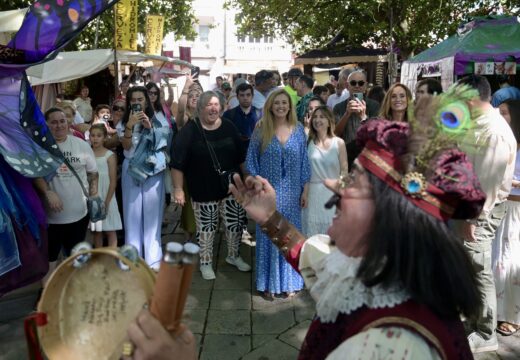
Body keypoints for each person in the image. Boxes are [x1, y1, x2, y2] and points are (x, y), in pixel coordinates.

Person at [130, 90, 487, 358]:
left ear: (390, 219)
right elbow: (309, 256)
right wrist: (269, 218)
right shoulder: (372, 271)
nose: (338, 194)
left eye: (354, 186)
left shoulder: (391, 343)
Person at [456, 75, 517, 353]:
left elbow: (488, 184)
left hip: (480, 213)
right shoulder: (478, 123)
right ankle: (472, 317)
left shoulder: (494, 131)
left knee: (480, 269)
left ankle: (486, 332)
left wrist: (472, 219)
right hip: (468, 209)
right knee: (470, 265)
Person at [171, 91, 251, 280]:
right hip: (203, 189)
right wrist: (178, 189)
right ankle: (205, 263)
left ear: (221, 107)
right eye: (208, 105)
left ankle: (233, 256)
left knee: (235, 224)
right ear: (200, 108)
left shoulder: (229, 127)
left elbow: (241, 158)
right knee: (206, 228)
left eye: (216, 104)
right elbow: (177, 163)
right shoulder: (189, 131)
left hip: (231, 187)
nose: (213, 108)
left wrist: (247, 179)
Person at [246, 88, 310, 298]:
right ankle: (268, 284)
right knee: (269, 237)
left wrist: (305, 190)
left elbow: (304, 162)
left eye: (285, 103)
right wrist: (257, 183)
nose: (281, 106)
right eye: (277, 103)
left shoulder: (299, 129)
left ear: (290, 106)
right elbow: (251, 161)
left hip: (292, 193)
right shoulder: (261, 129)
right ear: (270, 106)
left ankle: (290, 283)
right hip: (268, 194)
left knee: (289, 238)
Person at [34, 108, 99, 280]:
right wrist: (47, 191)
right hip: (51, 217)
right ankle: (46, 293)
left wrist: (93, 198)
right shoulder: (41, 147)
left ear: (68, 122)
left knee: (76, 255)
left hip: (79, 214)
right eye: (53, 122)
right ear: (46, 124)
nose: (59, 125)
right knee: (50, 257)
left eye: (62, 121)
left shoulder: (81, 145)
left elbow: (93, 173)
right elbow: (35, 174)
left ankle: (73, 289)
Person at [121, 86, 170, 270]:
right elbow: (125, 147)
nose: (136, 103)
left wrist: (150, 128)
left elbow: (163, 144)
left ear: (147, 100)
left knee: (152, 217)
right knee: (132, 214)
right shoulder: (126, 120)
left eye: (140, 99)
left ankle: (153, 259)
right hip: (131, 167)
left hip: (151, 169)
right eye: (133, 100)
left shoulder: (158, 118)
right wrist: (129, 126)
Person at [493, 99, 520, 336]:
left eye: (504, 113)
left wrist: (512, 181)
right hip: (499, 206)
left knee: (510, 263)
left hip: (515, 210)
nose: (499, 116)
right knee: (496, 262)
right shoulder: (500, 142)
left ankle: (512, 315)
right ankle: (497, 312)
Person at [302, 105, 347, 237]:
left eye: (322, 117)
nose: (317, 120)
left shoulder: (339, 143)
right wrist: (304, 193)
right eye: (315, 117)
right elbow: (304, 170)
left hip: (332, 194)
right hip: (312, 194)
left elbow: (344, 171)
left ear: (329, 121)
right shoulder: (308, 141)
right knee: (312, 236)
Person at [333, 70, 380, 168]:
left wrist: (364, 117)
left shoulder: (374, 105)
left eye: (361, 83)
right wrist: (347, 114)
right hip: (345, 157)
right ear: (347, 85)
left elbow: (376, 134)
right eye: (353, 83)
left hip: (368, 156)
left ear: (365, 86)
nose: (357, 86)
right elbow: (335, 134)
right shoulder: (339, 107)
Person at [89, 123, 122, 248]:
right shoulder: (88, 153)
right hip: (93, 196)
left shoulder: (109, 155)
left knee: (110, 230)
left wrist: (107, 202)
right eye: (93, 135)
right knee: (97, 230)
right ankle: (99, 258)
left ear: (104, 138)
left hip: (107, 195)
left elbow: (113, 181)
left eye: (99, 136)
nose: (95, 138)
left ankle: (111, 256)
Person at [222, 82, 260, 148]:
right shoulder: (228, 115)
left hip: (255, 153)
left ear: (252, 96)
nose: (245, 98)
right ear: (237, 97)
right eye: (242, 95)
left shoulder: (260, 114)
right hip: (235, 154)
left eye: (248, 95)